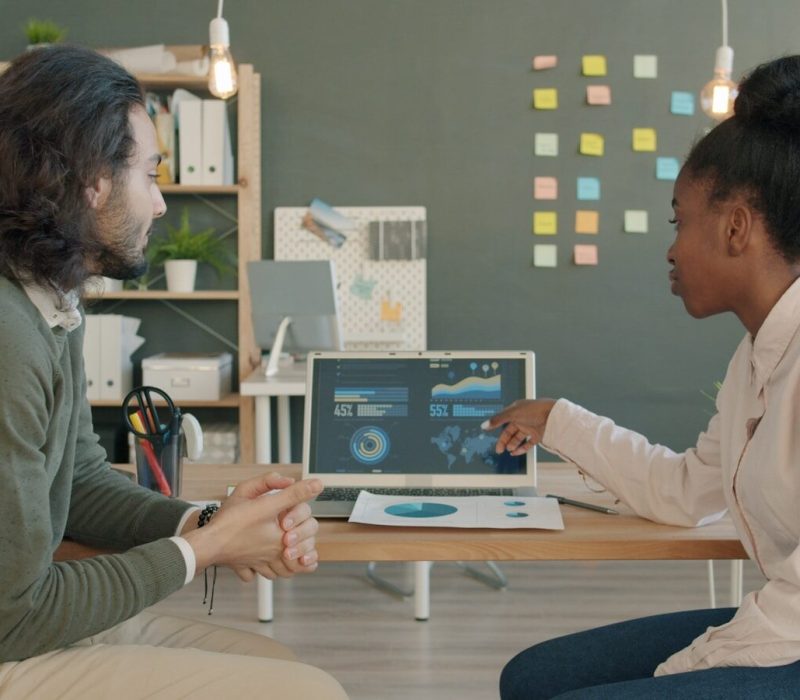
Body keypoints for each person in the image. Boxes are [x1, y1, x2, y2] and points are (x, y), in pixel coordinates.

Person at [0, 46, 347, 699]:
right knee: (311, 694)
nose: (160, 205)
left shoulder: (49, 301)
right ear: (91, 180)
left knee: (284, 666)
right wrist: (210, 549)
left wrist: (208, 520)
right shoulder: (7, 334)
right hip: (12, 636)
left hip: (21, 624)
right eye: (151, 174)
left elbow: (77, 484)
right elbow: (15, 615)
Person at [487, 55, 800, 699]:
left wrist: (700, 660)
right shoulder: (758, 356)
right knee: (531, 680)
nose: (670, 247)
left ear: (736, 226)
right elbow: (687, 490)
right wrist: (557, 421)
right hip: (787, 619)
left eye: (678, 221)